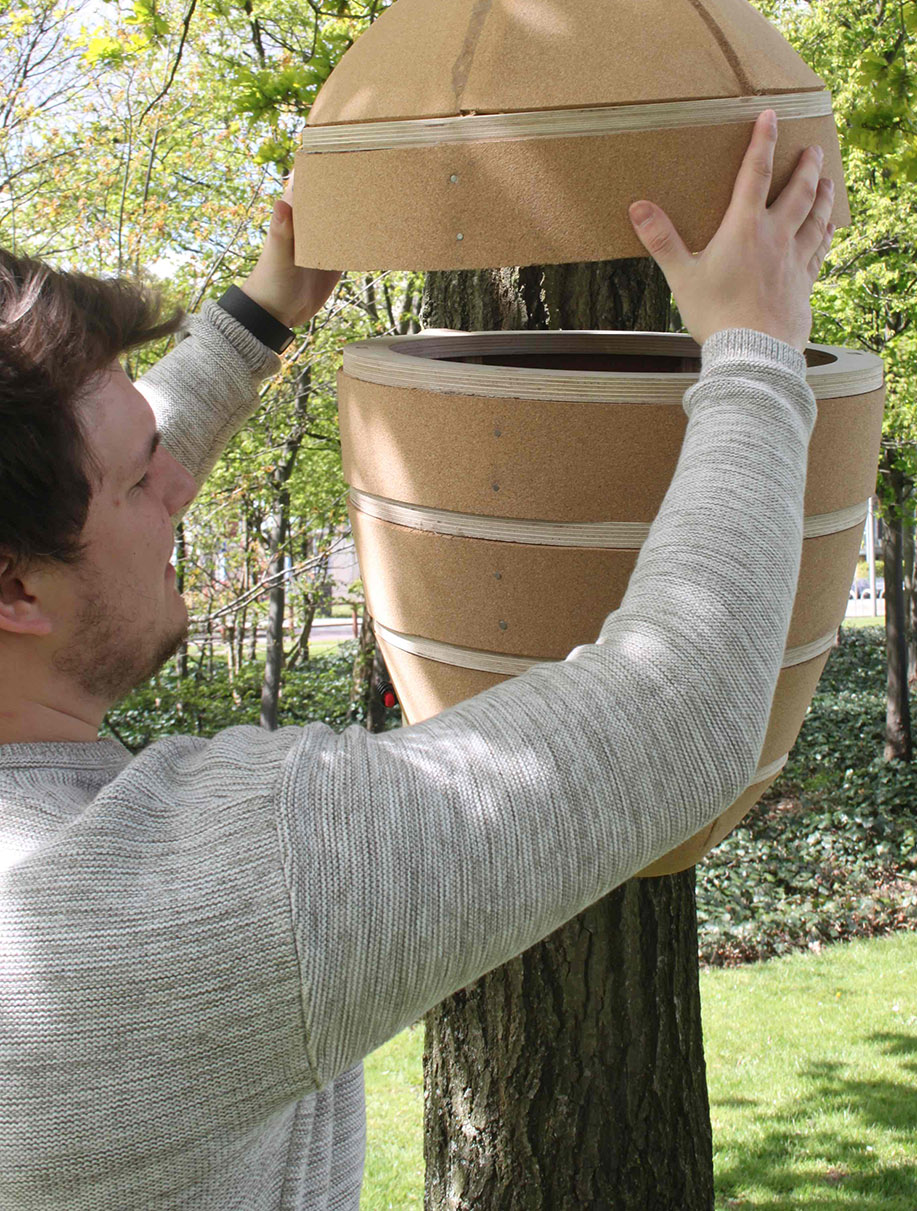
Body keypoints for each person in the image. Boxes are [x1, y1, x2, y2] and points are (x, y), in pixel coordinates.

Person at [0, 109, 833, 1209]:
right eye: (138, 480)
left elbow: (101, 474)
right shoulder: (188, 900)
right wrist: (757, 351)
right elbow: (683, 714)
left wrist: (256, 320)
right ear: (16, 592)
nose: (180, 487)